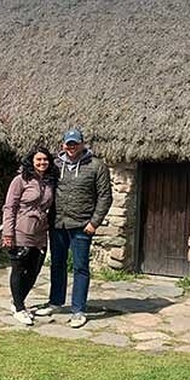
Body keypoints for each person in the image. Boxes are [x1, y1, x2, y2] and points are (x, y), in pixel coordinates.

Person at [34, 128, 112, 328]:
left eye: (75, 143)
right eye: (68, 144)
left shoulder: (96, 166)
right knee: (57, 265)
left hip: (82, 225)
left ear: (82, 144)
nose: (71, 147)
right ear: (63, 145)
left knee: (80, 267)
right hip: (58, 224)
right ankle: (56, 302)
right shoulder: (55, 165)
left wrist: (94, 222)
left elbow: (105, 196)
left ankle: (78, 310)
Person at [1, 146, 58, 325]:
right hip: (21, 229)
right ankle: (19, 308)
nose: (42, 163)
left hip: (40, 231)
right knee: (19, 268)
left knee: (34, 270)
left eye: (45, 160)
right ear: (32, 162)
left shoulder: (49, 182)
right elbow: (10, 207)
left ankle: (17, 300)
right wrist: (8, 233)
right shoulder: (20, 180)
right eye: (38, 160)